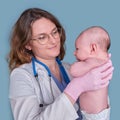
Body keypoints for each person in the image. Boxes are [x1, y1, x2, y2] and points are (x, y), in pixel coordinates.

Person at [8, 8, 113, 120]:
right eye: (42, 37)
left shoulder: (72, 69)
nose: (53, 40)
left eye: (54, 32)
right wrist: (75, 88)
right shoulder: (21, 76)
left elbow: (99, 115)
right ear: (27, 44)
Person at [70, 26, 113, 114]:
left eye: (77, 49)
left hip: (90, 115)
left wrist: (90, 64)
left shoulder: (90, 62)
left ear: (93, 48)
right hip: (102, 112)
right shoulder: (105, 61)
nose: (74, 53)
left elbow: (73, 71)